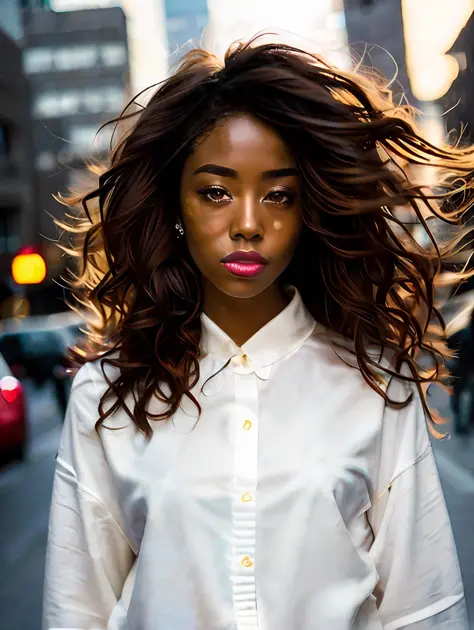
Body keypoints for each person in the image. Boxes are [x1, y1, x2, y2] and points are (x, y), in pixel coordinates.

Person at [43, 38, 472, 630]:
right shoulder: (106, 393)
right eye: (216, 192)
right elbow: (76, 610)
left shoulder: (375, 384)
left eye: (279, 195)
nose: (248, 223)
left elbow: (425, 608)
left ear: (308, 211)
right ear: (176, 204)